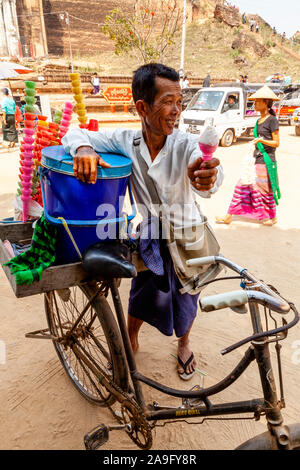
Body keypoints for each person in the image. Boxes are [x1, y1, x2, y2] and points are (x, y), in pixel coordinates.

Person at [62, 63, 224, 380]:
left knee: (187, 297)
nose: (176, 110)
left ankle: (184, 344)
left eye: (180, 100)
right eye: (167, 101)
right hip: (150, 234)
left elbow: (206, 171)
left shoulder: (185, 145)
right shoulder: (127, 142)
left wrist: (207, 178)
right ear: (142, 107)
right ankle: (130, 339)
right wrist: (82, 148)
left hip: (187, 235)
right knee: (140, 293)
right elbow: (75, 131)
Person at [216, 86, 280, 227]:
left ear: (266, 103)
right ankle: (229, 215)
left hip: (266, 160)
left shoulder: (272, 120)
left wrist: (261, 140)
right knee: (245, 186)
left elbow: (276, 143)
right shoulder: (258, 121)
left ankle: (268, 217)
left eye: (257, 102)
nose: (255, 104)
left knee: (261, 190)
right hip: (255, 160)